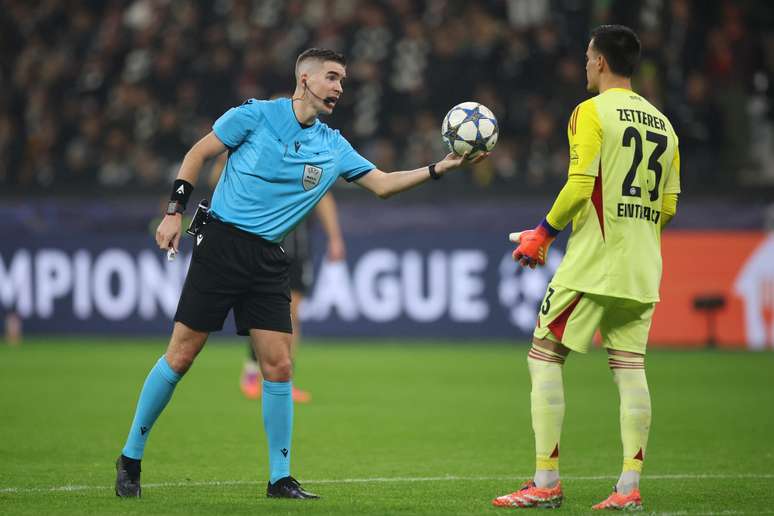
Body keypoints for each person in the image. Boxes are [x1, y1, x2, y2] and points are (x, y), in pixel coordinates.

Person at [115, 48, 487, 500]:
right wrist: (175, 212)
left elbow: (383, 185)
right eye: (333, 77)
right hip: (221, 247)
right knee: (181, 356)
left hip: (271, 258)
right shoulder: (254, 116)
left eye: (343, 80)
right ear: (305, 79)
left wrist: (437, 168)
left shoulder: (332, 145)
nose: (339, 88)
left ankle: (280, 478)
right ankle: (131, 457)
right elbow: (197, 153)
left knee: (280, 364)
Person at [491, 25, 680, 511]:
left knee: (544, 357)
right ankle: (628, 487)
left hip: (594, 264)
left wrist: (543, 234)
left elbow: (580, 185)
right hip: (643, 267)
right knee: (631, 369)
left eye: (586, 57)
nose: (584, 65)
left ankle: (546, 481)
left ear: (598, 61)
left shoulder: (590, 112)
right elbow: (669, 206)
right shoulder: (664, 124)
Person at [209, 151, 346, 403]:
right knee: (265, 312)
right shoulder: (263, 153)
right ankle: (252, 371)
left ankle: (285, 378)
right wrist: (225, 157)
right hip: (266, 243)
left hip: (299, 247)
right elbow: (216, 179)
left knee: (293, 314)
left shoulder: (310, 156)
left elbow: (324, 196)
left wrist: (335, 237)